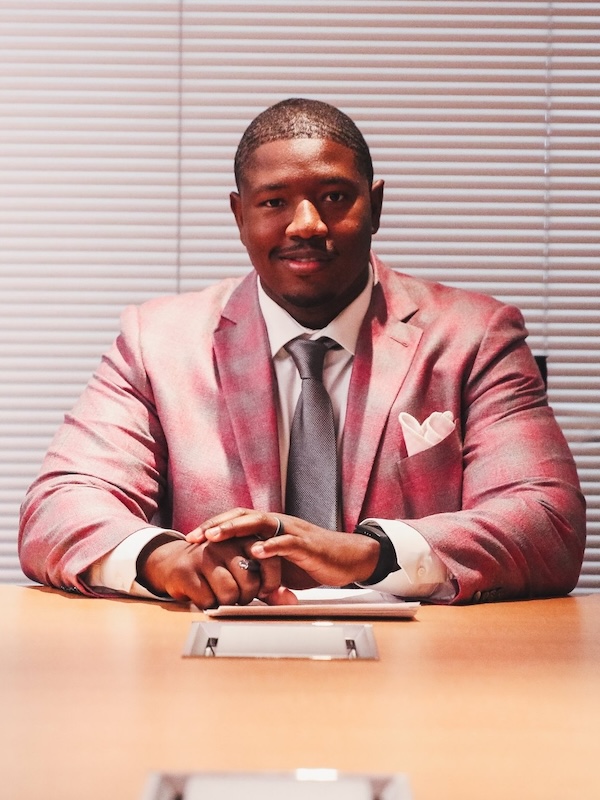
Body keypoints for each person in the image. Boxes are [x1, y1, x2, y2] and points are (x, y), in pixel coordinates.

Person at [18, 98, 586, 609]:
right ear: (240, 217)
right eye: (274, 202)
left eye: (335, 197)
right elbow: (60, 505)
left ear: (376, 205)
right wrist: (167, 561)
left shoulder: (473, 335)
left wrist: (368, 553)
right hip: (215, 672)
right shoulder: (158, 341)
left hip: (416, 675)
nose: (307, 224)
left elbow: (547, 521)